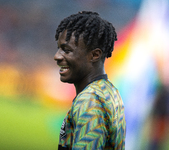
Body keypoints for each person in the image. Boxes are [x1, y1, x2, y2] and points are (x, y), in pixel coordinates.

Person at [54, 11, 126, 150]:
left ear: (94, 55)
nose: (57, 56)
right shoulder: (110, 91)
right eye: (59, 49)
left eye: (66, 50)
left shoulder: (90, 101)